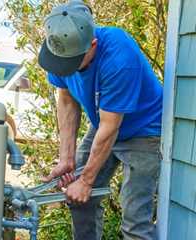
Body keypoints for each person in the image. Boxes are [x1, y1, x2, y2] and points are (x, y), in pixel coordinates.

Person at [38, 1, 162, 239]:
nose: (65, 69)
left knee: (134, 221)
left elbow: (111, 126)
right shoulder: (60, 49)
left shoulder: (119, 59)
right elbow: (66, 100)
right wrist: (67, 158)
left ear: (92, 45)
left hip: (145, 131)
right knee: (79, 201)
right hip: (104, 124)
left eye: (72, 64)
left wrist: (86, 180)